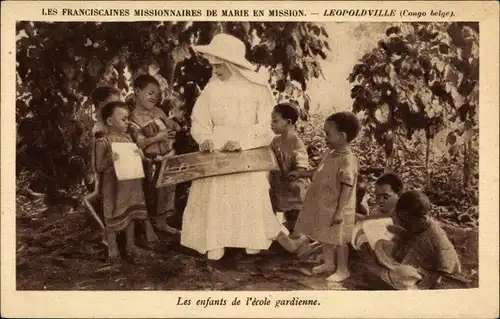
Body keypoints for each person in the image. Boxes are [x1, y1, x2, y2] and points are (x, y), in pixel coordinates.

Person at [181, 33, 283, 261]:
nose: (215, 71)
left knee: (247, 191)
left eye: (219, 66)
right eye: (213, 66)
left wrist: (244, 143)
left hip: (248, 147)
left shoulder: (259, 88)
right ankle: (216, 241)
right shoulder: (211, 89)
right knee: (217, 192)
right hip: (217, 147)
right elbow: (199, 120)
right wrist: (204, 138)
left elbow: (267, 123)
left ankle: (250, 238)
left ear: (233, 64)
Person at [293, 112, 361, 282]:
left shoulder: (348, 160)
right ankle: (329, 264)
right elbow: (318, 172)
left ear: (342, 136)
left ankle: (343, 269)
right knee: (327, 237)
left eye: (327, 134)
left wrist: (340, 211)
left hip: (339, 209)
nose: (325, 137)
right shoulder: (330, 154)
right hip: (325, 206)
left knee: (339, 240)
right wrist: (302, 173)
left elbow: (347, 187)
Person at [94, 101, 157, 262]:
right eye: (123, 119)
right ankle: (113, 249)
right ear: (109, 121)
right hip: (113, 188)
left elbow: (139, 158)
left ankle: (130, 245)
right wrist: (110, 159)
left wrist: (139, 154)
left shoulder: (128, 138)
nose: (127, 122)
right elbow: (99, 167)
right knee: (113, 216)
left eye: (128, 118)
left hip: (131, 184)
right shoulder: (103, 142)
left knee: (130, 215)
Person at [360, 190, 462, 290]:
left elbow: (448, 262)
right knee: (380, 244)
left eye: (404, 221)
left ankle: (387, 271)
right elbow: (411, 239)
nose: (403, 223)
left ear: (411, 218)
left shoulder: (436, 235)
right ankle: (389, 267)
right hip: (410, 259)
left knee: (404, 273)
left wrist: (433, 281)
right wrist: (398, 231)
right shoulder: (416, 226)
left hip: (425, 271)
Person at [129, 75, 180, 234]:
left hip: (167, 157)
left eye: (157, 95)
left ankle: (162, 223)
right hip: (149, 161)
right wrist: (159, 137)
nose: (154, 98)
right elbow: (138, 143)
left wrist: (172, 130)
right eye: (150, 93)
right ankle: (148, 227)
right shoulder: (131, 117)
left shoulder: (159, 112)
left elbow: (172, 130)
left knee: (166, 191)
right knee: (151, 193)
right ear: (137, 91)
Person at [269, 102, 310, 233]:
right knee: (282, 213)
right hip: (282, 187)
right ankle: (290, 240)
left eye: (275, 120)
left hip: (295, 188)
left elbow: (301, 163)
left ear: (287, 122)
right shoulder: (275, 141)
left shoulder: (296, 142)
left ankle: (299, 241)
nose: (271, 124)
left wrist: (298, 171)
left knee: (295, 216)